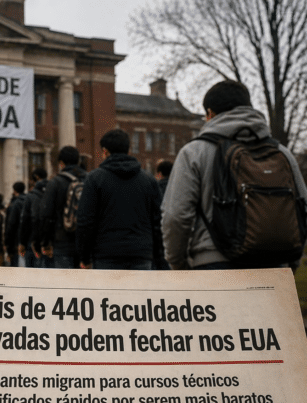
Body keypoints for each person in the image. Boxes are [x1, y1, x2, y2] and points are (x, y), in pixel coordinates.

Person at [162, 80, 307, 270]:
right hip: (274, 265)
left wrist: (177, 263)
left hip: (213, 265)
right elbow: (301, 209)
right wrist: (291, 261)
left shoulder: (194, 152)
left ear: (210, 114)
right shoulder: (282, 153)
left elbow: (176, 216)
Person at [76, 129, 162, 270]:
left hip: (106, 253)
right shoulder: (149, 180)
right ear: (129, 150)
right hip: (141, 253)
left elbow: (86, 221)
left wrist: (84, 257)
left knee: (108, 293)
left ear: (105, 151)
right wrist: (159, 256)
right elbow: (158, 221)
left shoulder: (95, 179)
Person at [37, 146, 87, 269]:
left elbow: (46, 214)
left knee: (65, 284)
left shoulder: (55, 182)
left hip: (62, 242)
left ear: (61, 163)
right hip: (87, 242)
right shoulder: (91, 179)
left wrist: (45, 242)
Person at [18, 168, 48, 268]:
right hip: (50, 241)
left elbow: (25, 221)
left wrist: (22, 242)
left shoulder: (30, 196)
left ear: (36, 178)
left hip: (32, 241)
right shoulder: (52, 191)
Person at [3, 182, 26, 267]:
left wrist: (7, 244)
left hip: (16, 242)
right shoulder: (29, 200)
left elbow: (11, 225)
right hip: (27, 240)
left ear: (14, 190)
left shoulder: (14, 205)